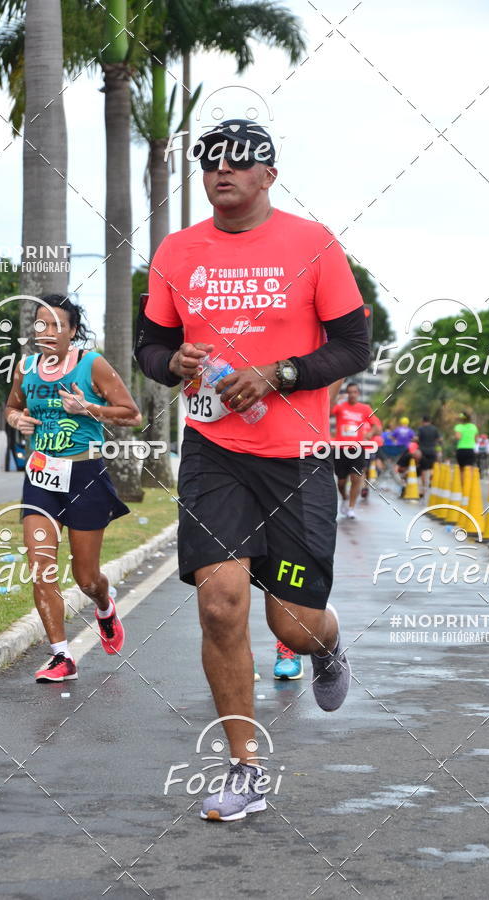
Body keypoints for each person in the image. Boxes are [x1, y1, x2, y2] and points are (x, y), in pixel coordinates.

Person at [135, 119, 370, 821]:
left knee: (291, 624)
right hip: (214, 452)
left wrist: (283, 373)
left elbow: (356, 345)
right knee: (220, 602)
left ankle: (325, 645)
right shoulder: (178, 252)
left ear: (269, 174)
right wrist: (168, 362)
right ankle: (245, 768)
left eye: (239, 162)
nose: (222, 172)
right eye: (211, 162)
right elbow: (153, 344)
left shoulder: (313, 244)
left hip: (296, 459)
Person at [5, 295, 142, 683]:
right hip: (41, 477)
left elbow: (132, 414)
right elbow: (12, 407)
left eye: (56, 326)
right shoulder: (26, 367)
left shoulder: (90, 364)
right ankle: (60, 656)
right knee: (41, 567)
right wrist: (17, 419)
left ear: (73, 331)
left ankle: (103, 604)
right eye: (40, 325)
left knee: (86, 578)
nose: (46, 333)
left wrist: (88, 409)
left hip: (84, 477)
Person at [331, 383, 380, 518]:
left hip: (358, 448)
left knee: (356, 478)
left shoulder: (365, 409)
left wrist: (370, 434)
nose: (352, 394)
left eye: (354, 392)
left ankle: (352, 508)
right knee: (341, 483)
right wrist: (336, 397)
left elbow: (377, 426)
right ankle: (345, 498)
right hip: (341, 449)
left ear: (358, 394)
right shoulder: (340, 407)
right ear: (347, 394)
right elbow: (327, 411)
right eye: (349, 392)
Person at [417, 415, 441, 492]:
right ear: (430, 421)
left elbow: (416, 438)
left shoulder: (420, 429)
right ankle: (430, 481)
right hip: (432, 450)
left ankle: (424, 487)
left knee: (424, 468)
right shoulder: (435, 429)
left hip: (422, 451)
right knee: (431, 467)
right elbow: (439, 439)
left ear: (423, 421)